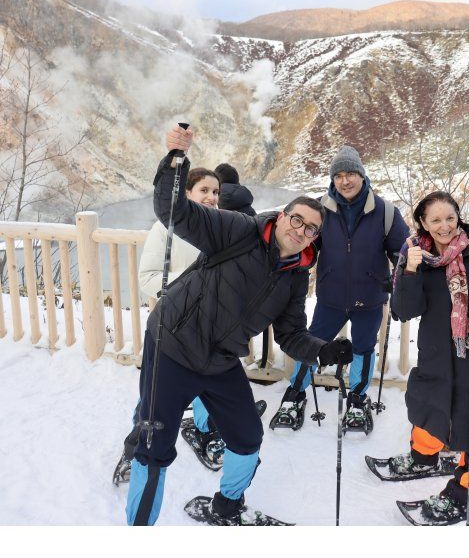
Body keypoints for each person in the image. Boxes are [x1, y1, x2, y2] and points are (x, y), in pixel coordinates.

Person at [126, 125, 353, 526]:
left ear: (315, 238)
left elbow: (289, 334)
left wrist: (323, 350)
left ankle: (227, 506)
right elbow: (174, 211)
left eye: (310, 229)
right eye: (296, 220)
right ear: (282, 216)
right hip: (173, 344)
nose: (300, 231)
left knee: (248, 438)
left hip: (220, 359)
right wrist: (176, 161)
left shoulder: (297, 275)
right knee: (153, 448)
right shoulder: (238, 229)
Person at [111, 168, 264, 486]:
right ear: (187, 195)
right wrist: (188, 293)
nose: (211, 197)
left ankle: (207, 433)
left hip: (212, 335)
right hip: (173, 331)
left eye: (215, 192)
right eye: (204, 190)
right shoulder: (166, 227)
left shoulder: (225, 227)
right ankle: (134, 450)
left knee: (209, 392)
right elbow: (147, 277)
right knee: (153, 403)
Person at [388, 191, 469, 524]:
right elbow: (404, 310)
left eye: (450, 218)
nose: (445, 226)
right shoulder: (417, 260)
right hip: (436, 359)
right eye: (435, 220)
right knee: (430, 411)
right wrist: (411, 271)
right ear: (423, 224)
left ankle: (465, 491)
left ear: (458, 217)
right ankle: (423, 457)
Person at [269, 145, 408, 434]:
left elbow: (403, 253)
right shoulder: (320, 210)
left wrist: (400, 281)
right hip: (330, 298)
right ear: (333, 179)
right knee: (312, 344)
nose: (345, 181)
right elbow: (303, 246)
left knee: (364, 349)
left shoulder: (385, 212)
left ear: (362, 175)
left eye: (351, 174)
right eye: (339, 175)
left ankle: (358, 399)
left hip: (369, 298)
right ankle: (295, 394)